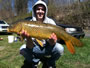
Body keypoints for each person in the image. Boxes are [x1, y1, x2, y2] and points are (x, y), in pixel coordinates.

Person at [20, 0, 64, 68]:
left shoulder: (50, 22)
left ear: (45, 11)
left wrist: (52, 41)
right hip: (35, 48)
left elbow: (52, 44)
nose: (40, 11)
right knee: (22, 49)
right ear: (34, 10)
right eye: (38, 9)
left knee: (60, 48)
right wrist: (28, 38)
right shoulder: (29, 24)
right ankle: (35, 61)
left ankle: (50, 63)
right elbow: (30, 47)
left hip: (48, 48)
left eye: (42, 9)